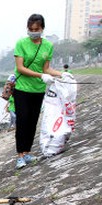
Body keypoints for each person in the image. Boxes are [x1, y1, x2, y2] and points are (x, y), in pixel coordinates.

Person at [12, 13, 66, 169]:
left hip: (38, 89)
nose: (33, 31)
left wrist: (61, 74)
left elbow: (46, 68)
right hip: (22, 88)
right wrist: (41, 75)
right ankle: (20, 155)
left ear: (42, 28)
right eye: (30, 29)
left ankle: (27, 152)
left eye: (36, 29)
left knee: (32, 121)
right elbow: (20, 67)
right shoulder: (21, 43)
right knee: (22, 121)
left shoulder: (48, 46)